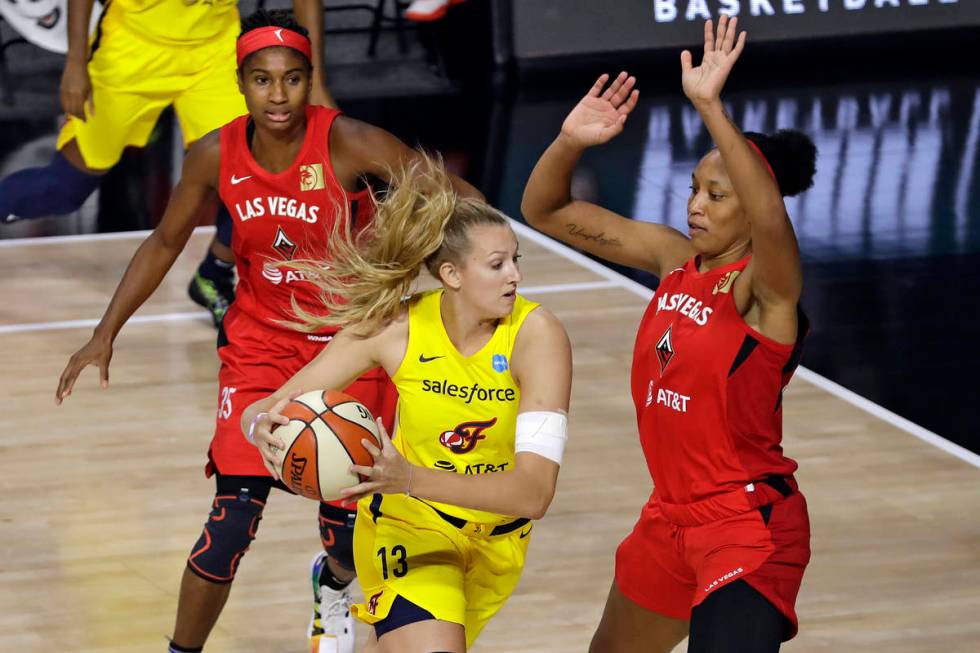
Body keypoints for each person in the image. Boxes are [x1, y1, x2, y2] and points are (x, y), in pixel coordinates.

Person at [54, 10, 481, 653]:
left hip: (350, 345)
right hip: (259, 349)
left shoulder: (352, 142)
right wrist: (104, 332)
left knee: (344, 534)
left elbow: (461, 199)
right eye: (261, 80)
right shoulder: (213, 152)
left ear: (311, 80)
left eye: (292, 79)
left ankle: (333, 589)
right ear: (241, 83)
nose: (277, 95)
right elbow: (167, 240)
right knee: (229, 524)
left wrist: (459, 279)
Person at [521, 17, 815, 653]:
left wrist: (710, 108)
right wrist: (569, 141)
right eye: (693, 189)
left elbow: (770, 214)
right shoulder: (671, 259)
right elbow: (543, 211)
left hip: (747, 524)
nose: (696, 205)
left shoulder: (765, 290)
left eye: (716, 194)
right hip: (670, 520)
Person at [243, 154, 572, 653]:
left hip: (499, 540)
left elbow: (534, 495)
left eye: (516, 260)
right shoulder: (396, 328)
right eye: (497, 264)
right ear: (451, 274)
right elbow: (271, 405)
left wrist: (410, 476)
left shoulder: (537, 335)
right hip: (408, 526)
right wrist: (260, 427)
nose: (515, 278)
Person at [0, 0, 334, 328]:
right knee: (66, 187)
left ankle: (213, 275)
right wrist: (75, 62)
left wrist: (315, 81)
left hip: (214, 49)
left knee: (259, 171)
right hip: (132, 47)